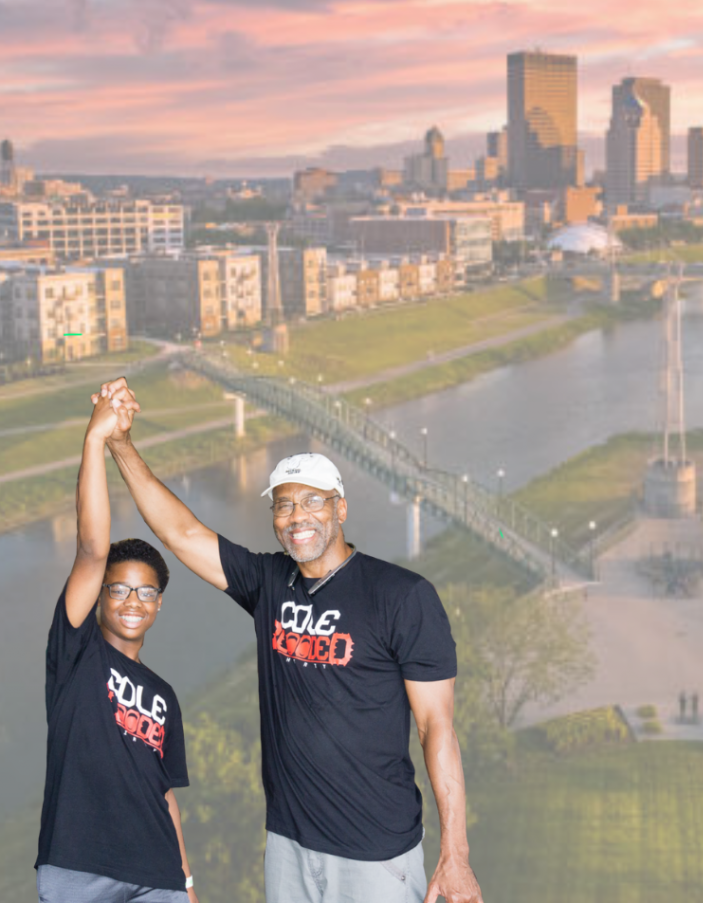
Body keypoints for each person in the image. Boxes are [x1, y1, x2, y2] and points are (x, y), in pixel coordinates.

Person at [99, 376, 483, 903]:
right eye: (283, 505)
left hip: (376, 852)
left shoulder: (403, 596)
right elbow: (181, 533)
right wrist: (119, 444)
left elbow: (437, 726)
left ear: (340, 508)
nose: (297, 516)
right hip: (288, 845)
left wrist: (455, 854)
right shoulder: (268, 582)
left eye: (312, 502)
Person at [36, 385, 197, 903]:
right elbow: (91, 546)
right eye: (120, 587)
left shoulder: (164, 695)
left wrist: (187, 882)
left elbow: (165, 794)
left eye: (146, 590)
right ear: (100, 596)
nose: (133, 600)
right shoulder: (75, 653)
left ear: (159, 604)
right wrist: (97, 439)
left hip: (158, 875)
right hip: (78, 869)